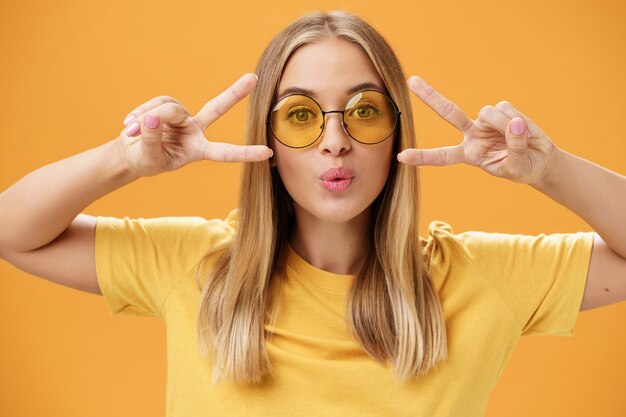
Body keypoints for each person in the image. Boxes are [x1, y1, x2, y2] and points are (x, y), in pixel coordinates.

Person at [0, 9, 624, 417]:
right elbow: (13, 231)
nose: (335, 141)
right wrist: (126, 159)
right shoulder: (195, 264)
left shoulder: (483, 279)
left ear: (396, 133)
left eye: (364, 111)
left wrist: (550, 169)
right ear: (266, 145)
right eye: (300, 114)